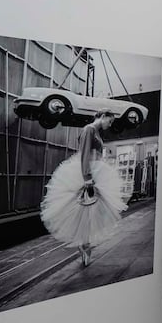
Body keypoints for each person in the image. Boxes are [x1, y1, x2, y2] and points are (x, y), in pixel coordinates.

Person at [39, 110, 127, 268]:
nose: (110, 125)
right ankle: (84, 244)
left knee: (91, 213)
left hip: (96, 173)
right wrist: (87, 177)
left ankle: (86, 244)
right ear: (103, 116)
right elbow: (84, 154)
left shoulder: (96, 132)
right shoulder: (89, 129)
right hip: (88, 173)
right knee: (84, 212)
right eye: (110, 121)